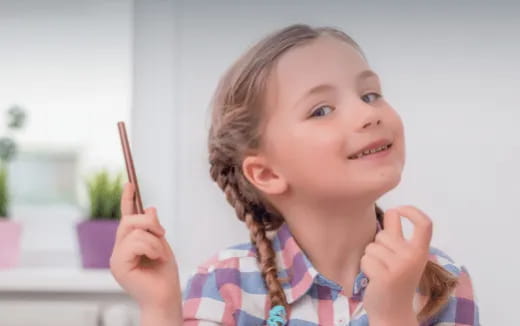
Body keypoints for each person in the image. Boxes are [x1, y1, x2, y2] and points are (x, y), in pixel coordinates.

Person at [110, 24, 480, 326]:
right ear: (267, 173)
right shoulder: (224, 285)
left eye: (369, 95)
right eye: (321, 110)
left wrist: (394, 315)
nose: (369, 114)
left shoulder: (443, 280)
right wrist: (160, 308)